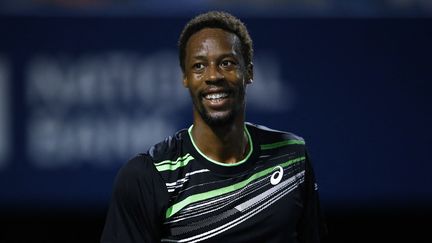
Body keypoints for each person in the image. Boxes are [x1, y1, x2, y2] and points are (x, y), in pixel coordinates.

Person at [101, 11, 326, 243]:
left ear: (249, 72)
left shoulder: (292, 156)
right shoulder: (148, 176)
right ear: (185, 78)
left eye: (226, 63)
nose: (213, 76)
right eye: (199, 66)